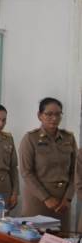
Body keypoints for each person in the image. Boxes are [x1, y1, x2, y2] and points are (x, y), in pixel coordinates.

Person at [20, 97, 75, 230]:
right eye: (49, 114)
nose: (54, 118)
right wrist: (46, 198)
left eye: (58, 114)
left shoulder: (68, 138)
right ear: (39, 115)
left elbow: (76, 171)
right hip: (38, 201)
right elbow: (26, 172)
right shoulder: (30, 139)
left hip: (63, 204)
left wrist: (68, 198)